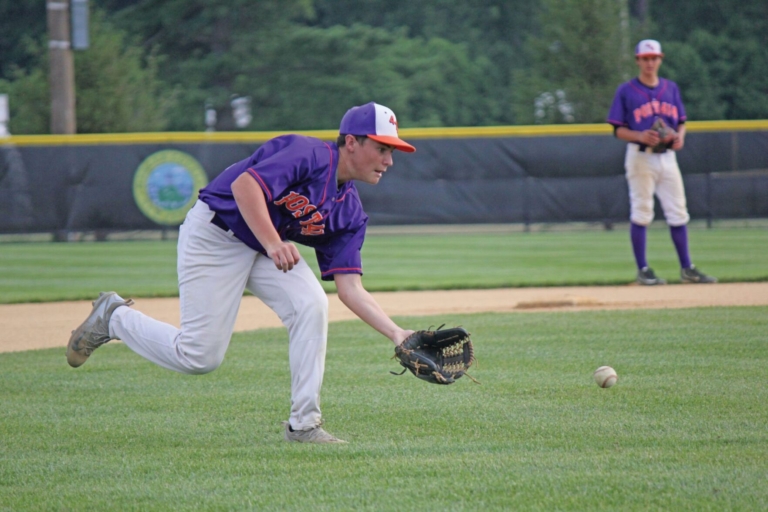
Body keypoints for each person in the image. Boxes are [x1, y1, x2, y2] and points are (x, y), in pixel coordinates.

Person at [66, 102, 418, 444]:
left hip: (263, 245)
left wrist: (396, 333)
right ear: (352, 142)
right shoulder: (307, 153)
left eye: (393, 151)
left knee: (312, 304)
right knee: (199, 357)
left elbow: (350, 289)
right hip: (216, 233)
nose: (389, 160)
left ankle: (304, 425)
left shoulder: (350, 214)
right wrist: (273, 243)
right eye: (382, 147)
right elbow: (244, 186)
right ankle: (113, 318)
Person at [607, 39, 717, 286]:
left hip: (668, 157)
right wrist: (639, 135)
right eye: (645, 58)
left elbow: (681, 122)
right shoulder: (626, 91)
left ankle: (687, 268)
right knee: (642, 211)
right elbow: (616, 130)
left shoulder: (670, 88)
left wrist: (680, 138)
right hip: (640, 156)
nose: (649, 62)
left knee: (678, 212)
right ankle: (643, 269)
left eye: (653, 57)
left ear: (660, 59)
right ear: (637, 61)